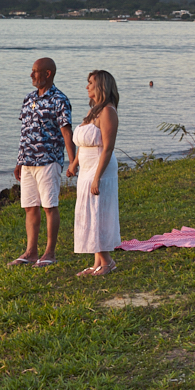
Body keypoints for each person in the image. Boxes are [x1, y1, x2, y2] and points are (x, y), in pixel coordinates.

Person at [10, 58, 74, 268]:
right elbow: (25, 132)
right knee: (30, 207)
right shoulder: (28, 99)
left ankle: (50, 252)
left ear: (48, 74)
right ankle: (30, 252)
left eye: (35, 72)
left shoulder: (59, 99)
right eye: (31, 71)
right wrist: (20, 160)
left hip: (48, 160)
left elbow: (66, 132)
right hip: (28, 162)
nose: (31, 75)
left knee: (49, 207)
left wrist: (73, 162)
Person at [68, 70, 121, 277]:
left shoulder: (108, 111)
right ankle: (97, 262)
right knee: (89, 213)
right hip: (86, 169)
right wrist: (74, 164)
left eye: (90, 83)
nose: (87, 86)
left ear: (100, 86)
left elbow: (107, 147)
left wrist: (97, 176)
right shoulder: (94, 112)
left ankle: (107, 261)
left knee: (98, 213)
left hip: (101, 169)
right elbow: (84, 143)